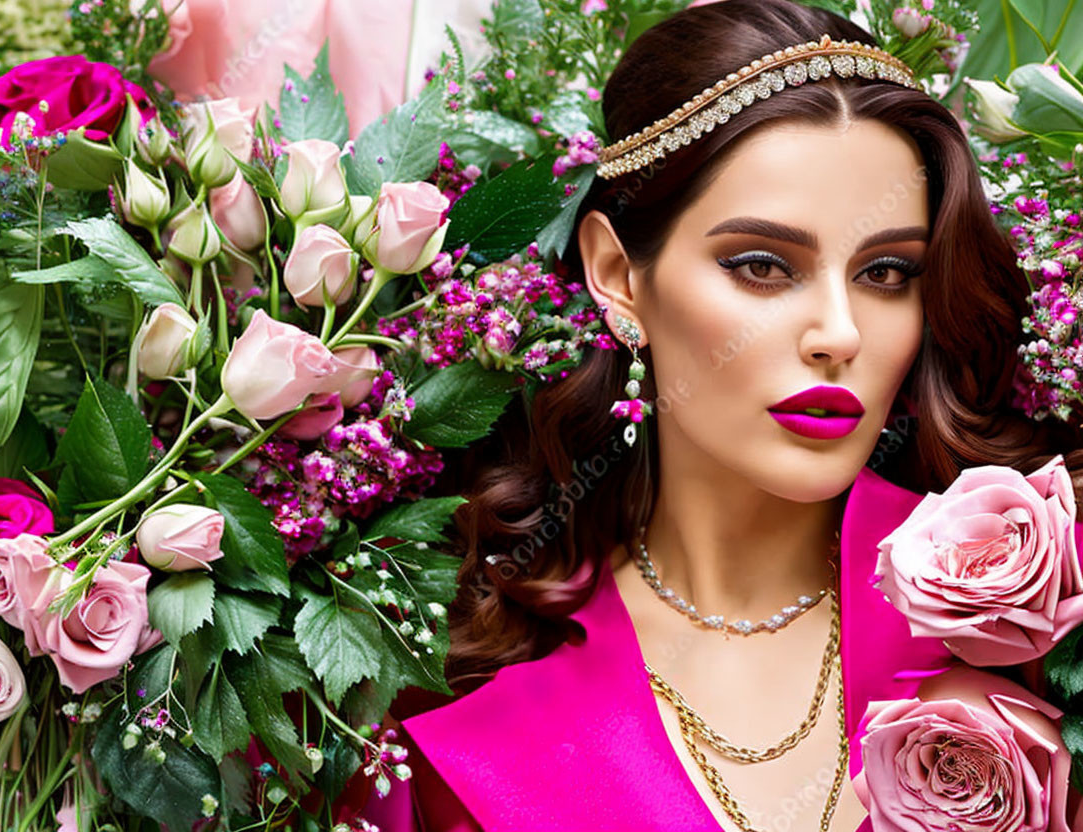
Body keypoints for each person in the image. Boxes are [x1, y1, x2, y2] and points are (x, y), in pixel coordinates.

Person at [359, 1, 1083, 829]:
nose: (839, 335)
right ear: (618, 276)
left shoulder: (1038, 618)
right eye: (763, 266)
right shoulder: (449, 687)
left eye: (886, 273)